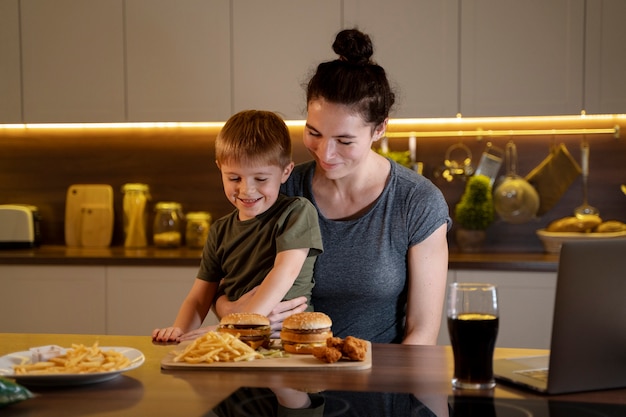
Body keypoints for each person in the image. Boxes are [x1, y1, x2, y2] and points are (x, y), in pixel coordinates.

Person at [208, 28, 451, 346]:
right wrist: (232, 309)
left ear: (379, 129)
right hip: (282, 375)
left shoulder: (416, 201)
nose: (325, 153)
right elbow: (223, 283)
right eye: (314, 133)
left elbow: (421, 332)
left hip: (376, 384)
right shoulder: (281, 187)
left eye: (344, 140)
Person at [152, 110, 323, 343]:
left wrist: (237, 324)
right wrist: (178, 332)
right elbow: (199, 298)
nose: (246, 190)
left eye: (260, 179)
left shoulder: (297, 212)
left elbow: (285, 273)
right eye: (234, 178)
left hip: (289, 340)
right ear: (219, 168)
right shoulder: (219, 231)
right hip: (236, 340)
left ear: (285, 172)